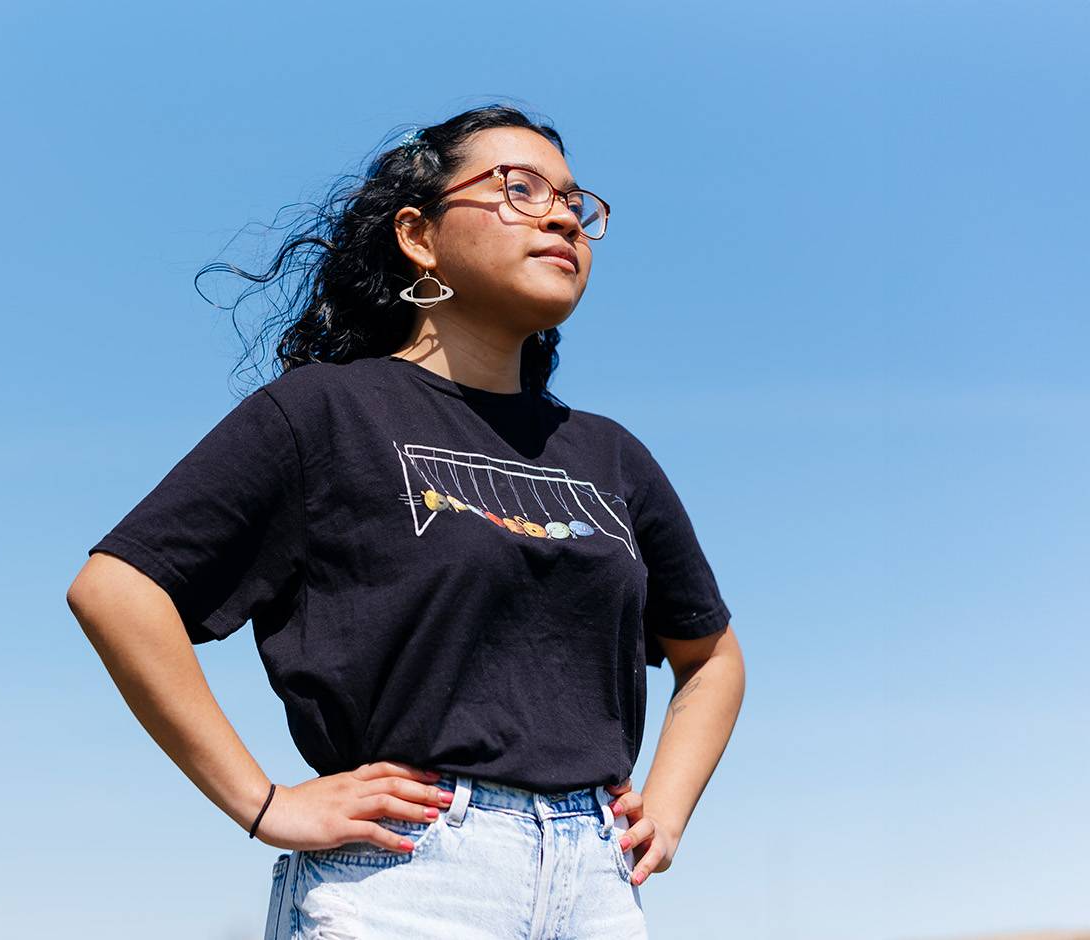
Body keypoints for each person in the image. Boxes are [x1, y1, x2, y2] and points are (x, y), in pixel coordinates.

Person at [66, 103, 745, 940]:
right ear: (419, 236)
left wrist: (665, 812)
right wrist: (263, 802)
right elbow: (117, 589)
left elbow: (711, 656)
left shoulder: (611, 455)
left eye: (575, 202)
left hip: (597, 890)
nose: (564, 217)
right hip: (405, 881)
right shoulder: (323, 413)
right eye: (519, 188)